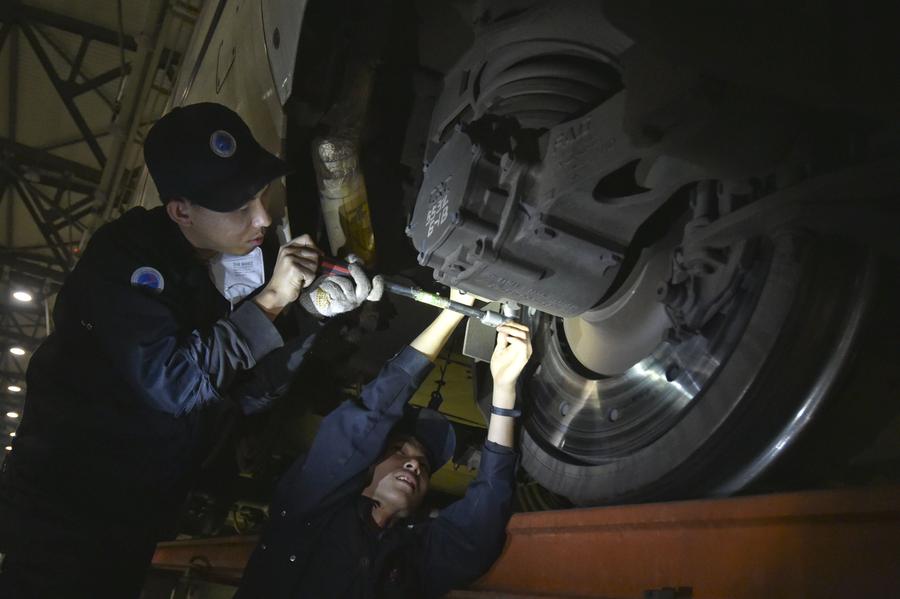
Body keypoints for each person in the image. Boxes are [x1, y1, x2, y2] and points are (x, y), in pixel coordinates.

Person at [0, 103, 381, 598]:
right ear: (181, 211)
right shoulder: (125, 260)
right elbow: (176, 384)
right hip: (66, 508)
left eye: (260, 195)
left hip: (140, 503)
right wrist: (271, 301)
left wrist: (315, 313)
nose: (263, 216)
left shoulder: (256, 253)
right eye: (240, 207)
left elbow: (244, 391)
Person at [236, 290, 532, 599]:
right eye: (400, 451)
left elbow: (364, 420)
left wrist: (457, 307)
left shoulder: (307, 508)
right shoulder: (409, 561)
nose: (415, 465)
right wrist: (505, 391)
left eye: (420, 462)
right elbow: (481, 528)